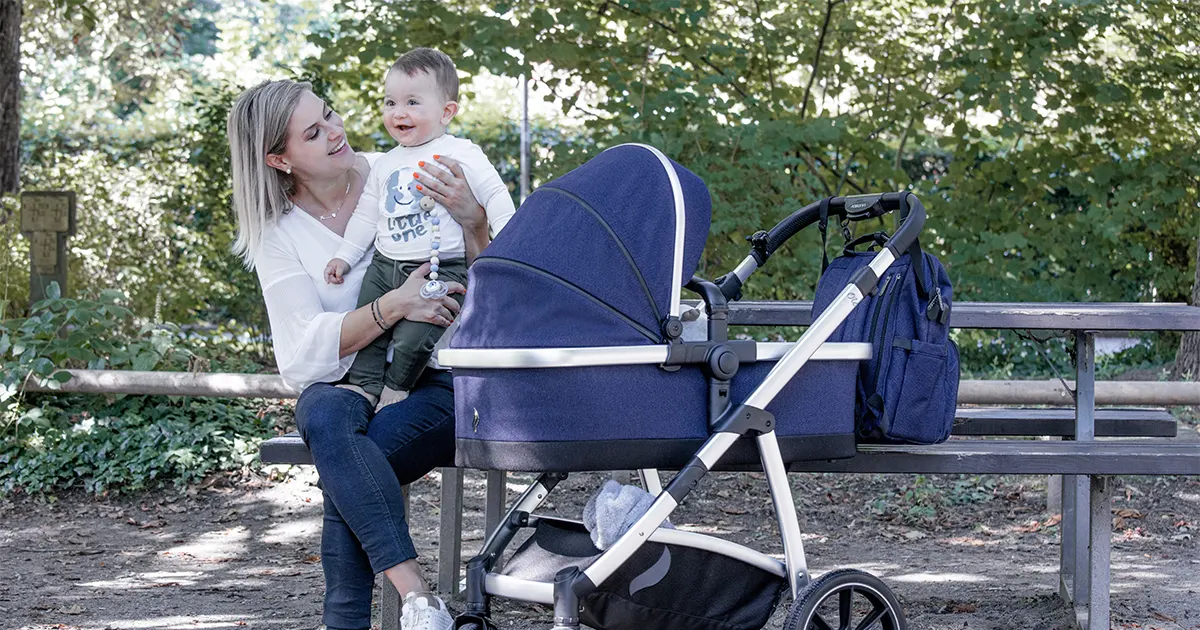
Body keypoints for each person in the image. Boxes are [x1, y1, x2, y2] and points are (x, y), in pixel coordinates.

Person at [227, 78, 490, 630]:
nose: (336, 132)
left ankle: (361, 619)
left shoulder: (401, 172)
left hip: (440, 378)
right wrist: (393, 306)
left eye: (330, 115)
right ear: (279, 158)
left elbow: (494, 283)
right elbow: (300, 358)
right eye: (313, 132)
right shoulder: (279, 236)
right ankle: (417, 595)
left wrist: (474, 221)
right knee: (325, 416)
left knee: (347, 462)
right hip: (348, 383)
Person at [324, 48, 515, 412]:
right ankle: (364, 387)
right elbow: (367, 216)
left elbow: (494, 194)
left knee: (416, 336)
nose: (398, 112)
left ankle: (397, 387)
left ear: (447, 111)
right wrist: (345, 257)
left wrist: (507, 242)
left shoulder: (460, 152)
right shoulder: (386, 162)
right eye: (390, 102)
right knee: (371, 332)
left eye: (413, 102)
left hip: (440, 264)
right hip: (385, 264)